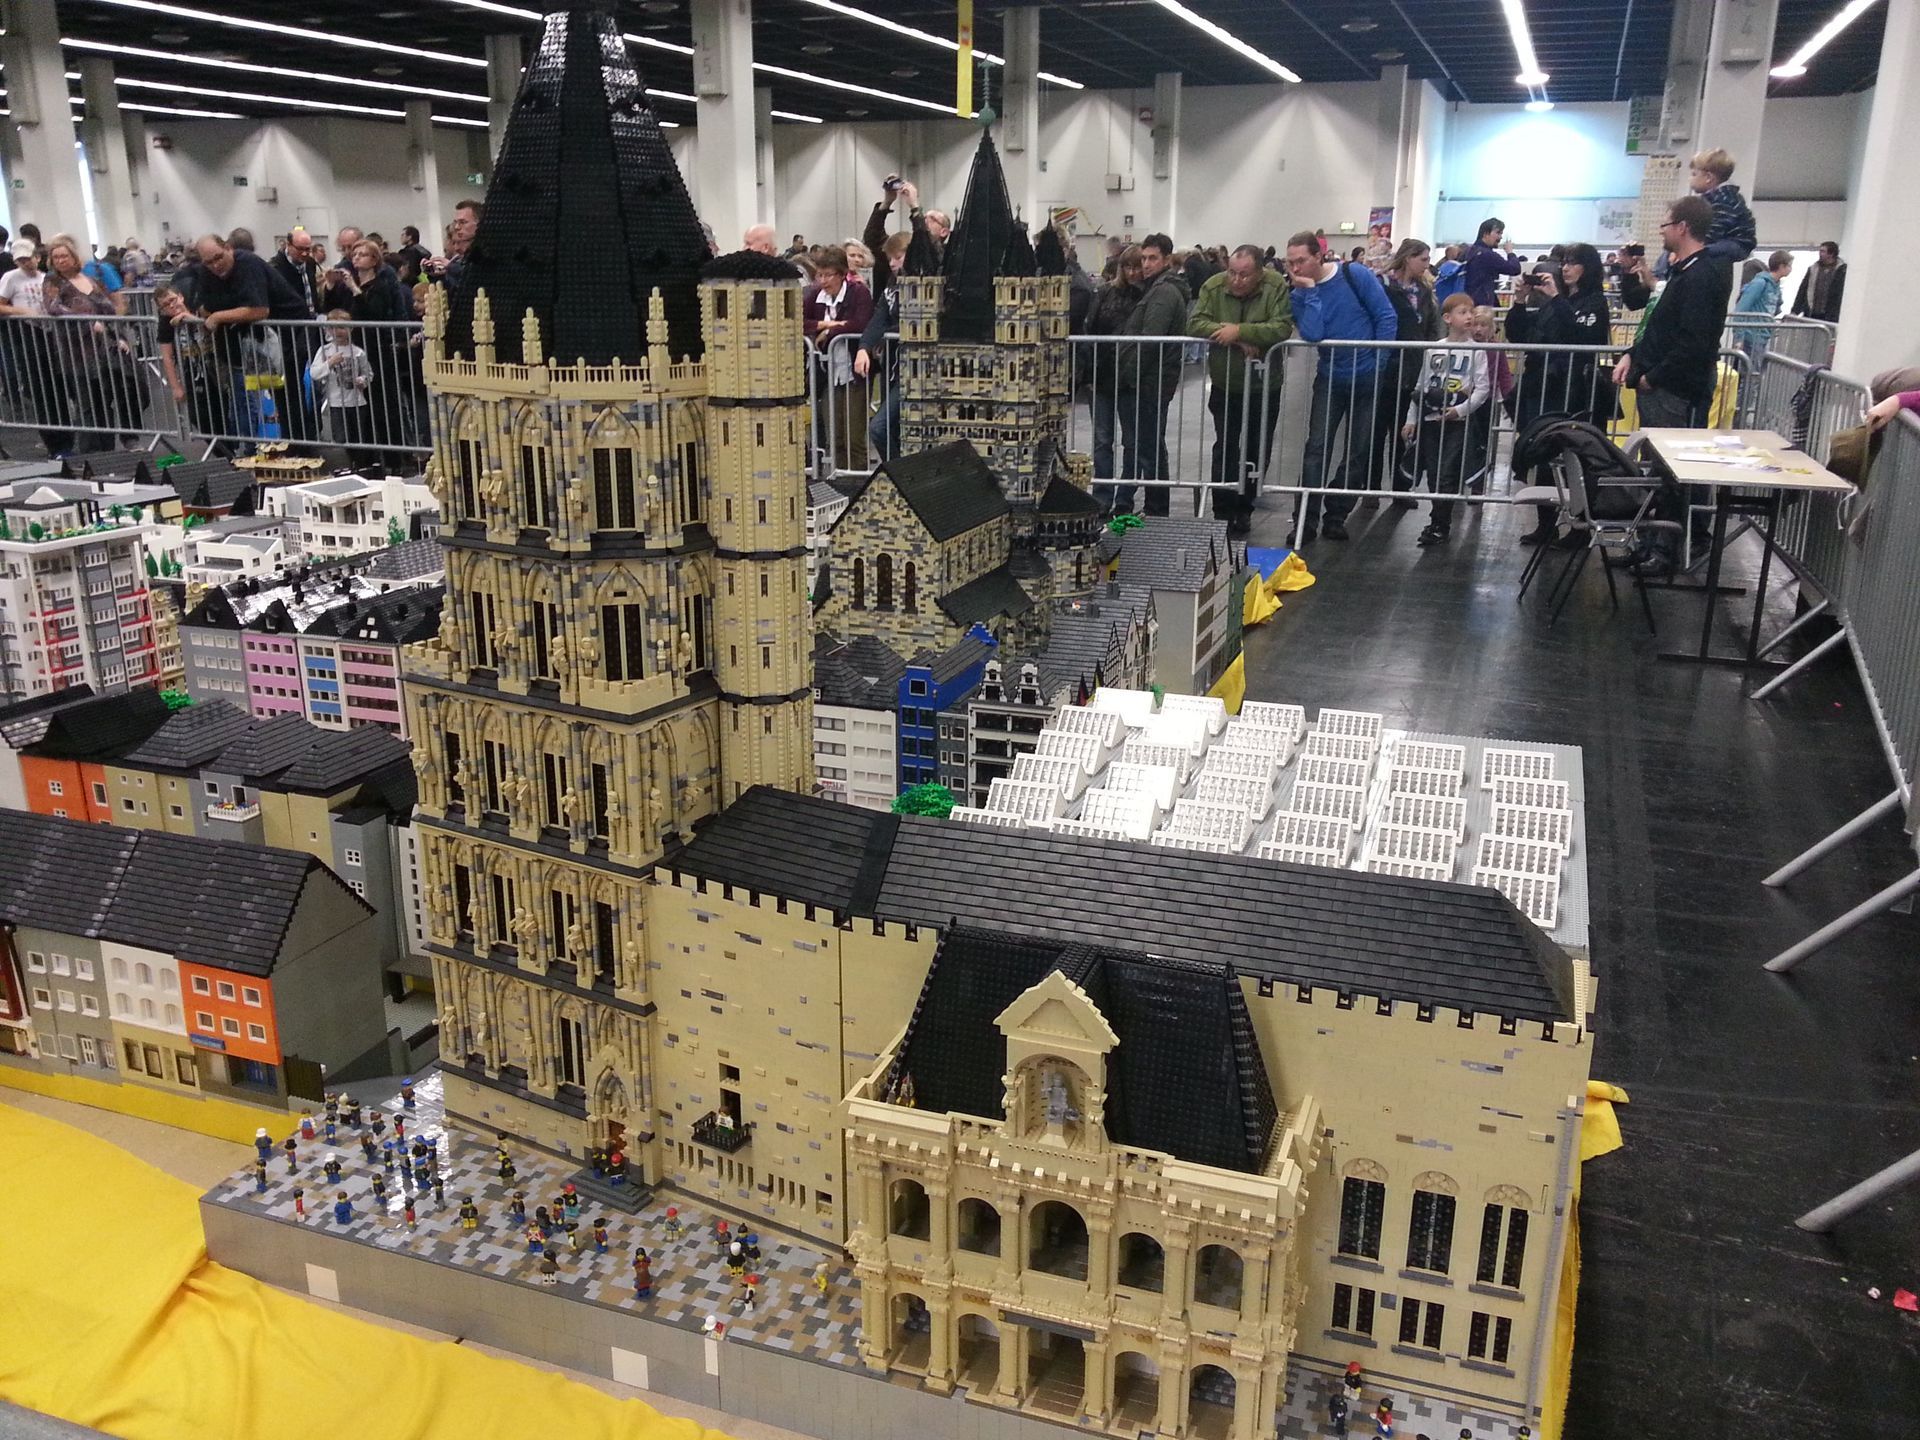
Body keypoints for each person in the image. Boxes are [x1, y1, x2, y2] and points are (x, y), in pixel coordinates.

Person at [1614, 195, 1733, 576]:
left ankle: (1665, 550)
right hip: (1660, 386)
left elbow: (1693, 342)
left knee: (1671, 473)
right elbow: (1659, 326)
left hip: (1675, 391)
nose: (1661, 231)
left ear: (1682, 227)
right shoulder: (1684, 272)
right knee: (1656, 471)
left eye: (1665, 224)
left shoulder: (1703, 274)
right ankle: (1650, 543)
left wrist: (1653, 376)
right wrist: (1633, 354)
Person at [1284, 228, 1399, 543]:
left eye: (1301, 261)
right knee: (1316, 448)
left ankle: (1336, 515)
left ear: (1318, 256)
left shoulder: (1355, 274)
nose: (1295, 268)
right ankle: (1305, 520)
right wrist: (1308, 291)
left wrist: (1378, 363)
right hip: (1330, 376)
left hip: (1367, 374)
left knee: (1358, 451)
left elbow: (1385, 316)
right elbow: (1313, 333)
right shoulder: (1298, 294)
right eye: (1290, 262)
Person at [1187, 244, 1295, 534]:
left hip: (1264, 385)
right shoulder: (1213, 286)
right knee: (1225, 446)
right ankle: (1222, 509)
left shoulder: (1275, 286)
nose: (1236, 280)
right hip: (1226, 382)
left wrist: (1241, 330)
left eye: (1244, 275)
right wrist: (1234, 337)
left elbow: (1282, 327)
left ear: (1260, 273)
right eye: (1232, 272)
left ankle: (1245, 507)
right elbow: (1195, 323)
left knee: (1258, 447)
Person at [1398, 294, 1490, 547]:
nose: (1469, 317)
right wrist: (1411, 419)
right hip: (1431, 419)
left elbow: (1482, 389)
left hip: (1457, 423)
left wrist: (1460, 410)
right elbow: (1421, 387)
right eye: (1463, 312)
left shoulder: (1477, 351)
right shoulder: (1434, 349)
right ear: (1448, 318)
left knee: (1447, 473)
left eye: (1471, 312)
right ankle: (1437, 519)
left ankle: (1440, 523)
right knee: (1434, 472)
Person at [1114, 233, 1190, 517]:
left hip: (1148, 382)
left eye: (1152, 258)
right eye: (1144, 258)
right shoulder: (1158, 289)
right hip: (1149, 380)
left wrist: (1129, 375)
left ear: (1167, 260)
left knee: (1150, 448)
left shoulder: (1163, 293)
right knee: (1148, 446)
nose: (1146, 264)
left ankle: (1157, 509)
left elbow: (1150, 341)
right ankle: (1156, 508)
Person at [44, 235, 142, 451]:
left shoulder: (90, 280)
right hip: (75, 351)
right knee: (87, 404)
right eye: (56, 257)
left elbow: (108, 310)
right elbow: (53, 308)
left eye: (64, 256)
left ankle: (108, 448)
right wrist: (87, 323)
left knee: (107, 399)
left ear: (73, 257)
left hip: (102, 350)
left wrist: (119, 337)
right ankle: (90, 453)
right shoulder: (53, 282)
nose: (60, 260)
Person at [1378, 238, 1440, 506]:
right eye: (1423, 259)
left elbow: (1431, 328)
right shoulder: (1382, 286)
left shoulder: (1425, 292)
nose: (1427, 264)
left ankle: (1401, 488)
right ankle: (1370, 488)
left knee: (1404, 430)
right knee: (1376, 431)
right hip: (1386, 366)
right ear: (1408, 258)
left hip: (1413, 367)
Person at [802, 245, 873, 472]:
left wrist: (830, 333)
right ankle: (839, 478)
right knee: (835, 437)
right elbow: (799, 322)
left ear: (842, 274)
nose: (823, 281)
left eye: (828, 275)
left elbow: (861, 323)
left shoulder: (859, 293)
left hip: (854, 374)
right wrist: (829, 324)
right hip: (829, 376)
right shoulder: (815, 296)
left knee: (854, 437)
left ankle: (857, 478)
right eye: (819, 275)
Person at [0, 239, 74, 454]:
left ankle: (67, 440)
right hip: (28, 336)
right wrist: (22, 311)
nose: (25, 263)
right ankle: (54, 443)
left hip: (51, 336)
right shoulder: (10, 278)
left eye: (28, 258)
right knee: (41, 391)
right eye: (21, 260)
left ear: (37, 257)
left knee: (60, 388)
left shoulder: (46, 278)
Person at [1086, 245, 1144, 510]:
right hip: (1102, 376)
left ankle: (1124, 498)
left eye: (1136, 267)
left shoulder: (1147, 296)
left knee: (1131, 441)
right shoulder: (1104, 292)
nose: (1132, 272)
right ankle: (1102, 496)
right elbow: (1090, 329)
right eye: (1127, 267)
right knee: (1102, 440)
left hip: (1131, 379)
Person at [308, 309, 374, 456]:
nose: (338, 331)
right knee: (341, 438)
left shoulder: (358, 352)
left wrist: (363, 380)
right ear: (328, 330)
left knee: (358, 437)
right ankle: (348, 462)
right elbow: (314, 373)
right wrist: (330, 363)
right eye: (333, 327)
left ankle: (359, 463)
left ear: (351, 328)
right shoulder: (324, 351)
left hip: (357, 402)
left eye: (342, 327)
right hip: (336, 403)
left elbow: (368, 373)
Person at [1688, 147, 1757, 262]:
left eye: (1694, 174)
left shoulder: (1723, 198)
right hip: (1725, 240)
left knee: (1698, 252)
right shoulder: (1716, 197)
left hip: (1737, 243)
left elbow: (1718, 226)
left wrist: (1698, 245)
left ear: (1708, 178)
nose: (1689, 179)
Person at [1733, 249, 1793, 360]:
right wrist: (1739, 337)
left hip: (1764, 335)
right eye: (1789, 266)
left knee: (1758, 367)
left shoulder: (1775, 286)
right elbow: (1741, 308)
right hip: (1752, 336)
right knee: (1751, 368)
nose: (1791, 269)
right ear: (1781, 266)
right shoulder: (1759, 283)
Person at [1461, 218, 1521, 307]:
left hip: (1466, 301)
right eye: (1498, 233)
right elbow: (1514, 268)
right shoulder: (1487, 255)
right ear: (1486, 234)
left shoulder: (1468, 251)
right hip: (1482, 304)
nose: (1500, 237)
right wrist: (1510, 252)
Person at [1791, 240, 1846, 322]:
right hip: (1812, 313)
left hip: (1831, 315)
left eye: (1823, 251)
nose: (1820, 253)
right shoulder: (1813, 269)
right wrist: (1795, 311)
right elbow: (1803, 290)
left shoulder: (1842, 271)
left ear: (1831, 254)